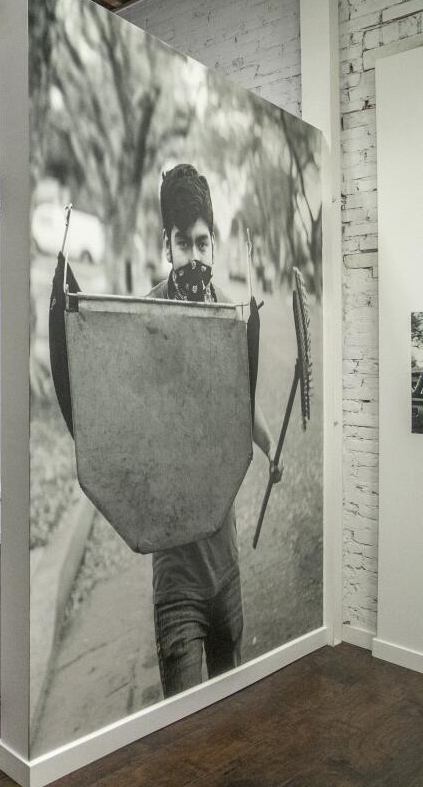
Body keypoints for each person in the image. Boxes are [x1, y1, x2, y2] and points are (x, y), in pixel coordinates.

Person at [144, 163, 279, 697]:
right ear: (167, 244)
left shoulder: (229, 316)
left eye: (203, 243)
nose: (194, 255)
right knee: (181, 727)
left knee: (231, 712)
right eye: (184, 243)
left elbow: (244, 406)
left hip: (226, 569)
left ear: (214, 245)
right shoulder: (145, 316)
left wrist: (270, 449)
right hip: (176, 581)